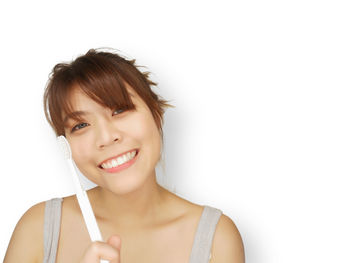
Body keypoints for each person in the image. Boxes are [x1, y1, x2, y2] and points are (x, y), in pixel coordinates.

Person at [4, 48, 245, 263]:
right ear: (65, 144)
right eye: (80, 126)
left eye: (120, 110)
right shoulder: (37, 228)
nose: (107, 137)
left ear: (156, 113)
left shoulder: (216, 238)